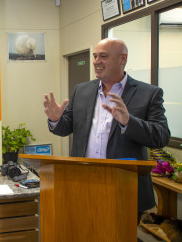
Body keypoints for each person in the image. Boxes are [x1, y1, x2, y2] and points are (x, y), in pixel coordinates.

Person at [43, 38, 170, 221]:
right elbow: (66, 128)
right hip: (83, 182)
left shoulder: (148, 93)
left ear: (122, 59)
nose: (96, 61)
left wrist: (128, 122)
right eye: (95, 56)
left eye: (103, 56)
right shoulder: (82, 90)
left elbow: (161, 136)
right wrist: (56, 120)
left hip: (125, 186)